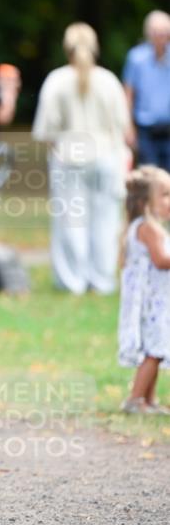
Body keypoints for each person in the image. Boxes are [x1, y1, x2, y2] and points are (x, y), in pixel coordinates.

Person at [32, 22, 132, 295]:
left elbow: (45, 130)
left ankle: (72, 280)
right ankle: (101, 280)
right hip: (105, 158)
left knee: (71, 222)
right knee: (105, 220)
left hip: (69, 158)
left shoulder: (56, 81)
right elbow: (122, 125)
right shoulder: (109, 81)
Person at [118, 166, 170, 414]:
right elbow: (161, 260)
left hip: (149, 300)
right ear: (145, 201)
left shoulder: (139, 226)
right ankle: (136, 399)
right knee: (154, 351)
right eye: (165, 194)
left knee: (155, 349)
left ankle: (148, 401)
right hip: (153, 303)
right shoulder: (150, 228)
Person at [122, 10, 170, 172]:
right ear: (149, 33)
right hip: (146, 131)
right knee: (149, 177)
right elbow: (128, 94)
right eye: (157, 32)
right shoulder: (136, 58)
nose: (161, 37)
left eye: (165, 32)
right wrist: (128, 127)